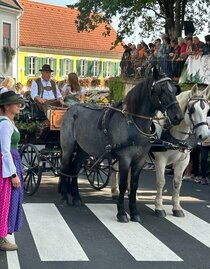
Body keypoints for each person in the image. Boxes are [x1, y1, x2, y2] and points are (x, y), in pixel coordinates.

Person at [0, 91, 25, 251]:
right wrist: (13, 174)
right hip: (7, 167)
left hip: (12, 163)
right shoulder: (4, 124)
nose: (19, 106)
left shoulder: (8, 122)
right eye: (16, 103)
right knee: (5, 200)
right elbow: (5, 150)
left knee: (8, 200)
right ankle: (1, 238)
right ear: (7, 106)